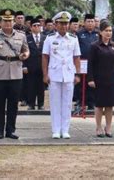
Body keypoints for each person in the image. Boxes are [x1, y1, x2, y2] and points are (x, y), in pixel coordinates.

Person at [0, 9, 29, 140]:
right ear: (0, 22)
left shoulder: (21, 36)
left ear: (14, 21)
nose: (8, 23)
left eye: (10, 21)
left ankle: (10, 130)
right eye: (5, 21)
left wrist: (25, 55)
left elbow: (26, 50)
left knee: (13, 104)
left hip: (16, 73)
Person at [42, 11, 81, 139]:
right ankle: (55, 130)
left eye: (66, 24)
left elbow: (76, 57)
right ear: (56, 24)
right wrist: (45, 74)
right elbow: (45, 57)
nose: (64, 26)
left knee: (67, 103)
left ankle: (65, 129)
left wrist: (78, 74)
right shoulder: (50, 38)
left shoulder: (74, 39)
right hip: (54, 73)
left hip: (69, 74)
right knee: (55, 103)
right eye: (61, 24)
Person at [87, 20, 114, 138]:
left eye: (110, 30)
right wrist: (90, 79)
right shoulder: (94, 46)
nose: (109, 33)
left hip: (112, 79)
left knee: (110, 105)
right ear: (101, 32)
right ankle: (98, 127)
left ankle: (108, 128)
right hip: (99, 80)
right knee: (99, 105)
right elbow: (90, 64)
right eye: (106, 31)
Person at [76, 14, 99, 109]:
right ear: (84, 22)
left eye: (92, 21)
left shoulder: (98, 34)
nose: (90, 23)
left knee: (92, 82)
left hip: (94, 63)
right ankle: (81, 102)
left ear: (95, 23)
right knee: (81, 83)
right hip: (82, 62)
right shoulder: (79, 34)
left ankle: (91, 103)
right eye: (88, 21)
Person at [24, 18, 46, 110]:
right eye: (34, 26)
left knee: (41, 86)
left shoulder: (45, 38)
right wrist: (24, 66)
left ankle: (41, 104)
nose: (36, 27)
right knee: (31, 86)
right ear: (31, 27)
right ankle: (31, 104)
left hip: (42, 66)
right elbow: (23, 52)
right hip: (31, 66)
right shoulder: (26, 38)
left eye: (38, 25)